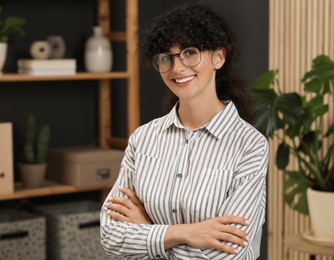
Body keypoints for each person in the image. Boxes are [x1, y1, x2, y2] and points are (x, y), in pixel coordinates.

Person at [100, 4, 269, 259]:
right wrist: (185, 233)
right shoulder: (143, 139)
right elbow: (111, 236)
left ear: (219, 57)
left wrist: (148, 230)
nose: (177, 68)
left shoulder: (249, 146)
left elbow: (229, 255)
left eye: (190, 53)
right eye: (167, 57)